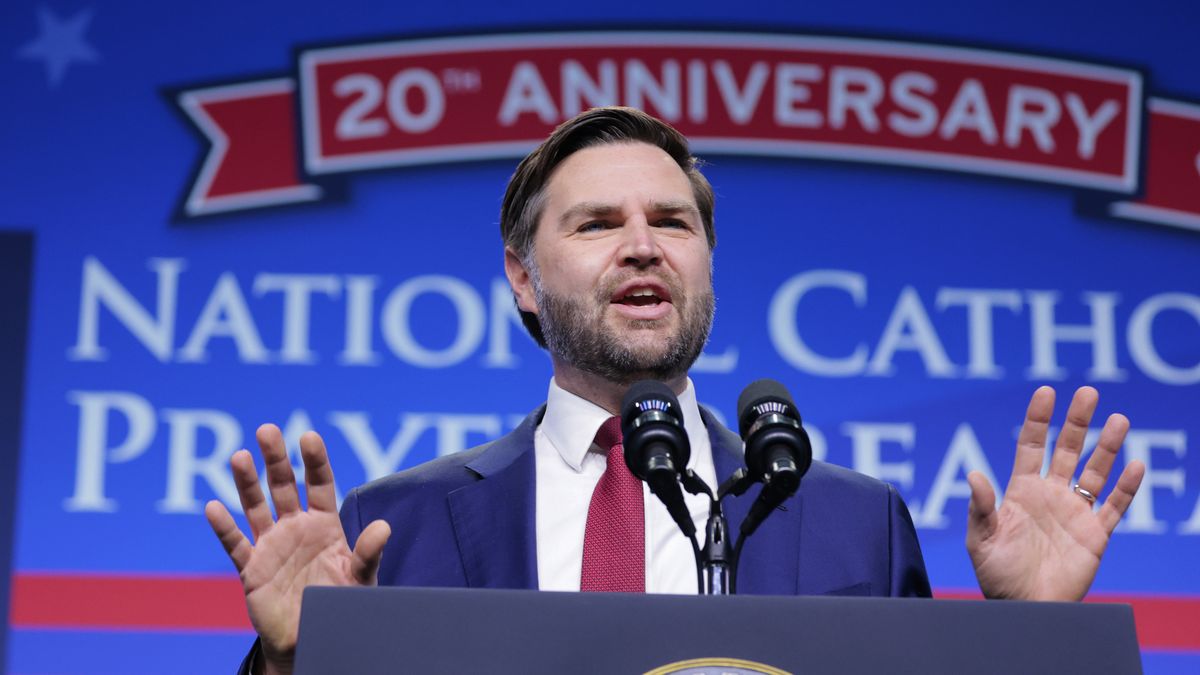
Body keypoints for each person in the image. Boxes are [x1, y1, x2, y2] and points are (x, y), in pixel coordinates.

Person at [205, 107, 1146, 675]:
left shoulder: (858, 521)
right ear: (524, 279)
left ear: (706, 262)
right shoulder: (396, 522)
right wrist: (294, 659)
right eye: (596, 223)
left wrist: (1032, 638)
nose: (644, 244)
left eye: (673, 221)